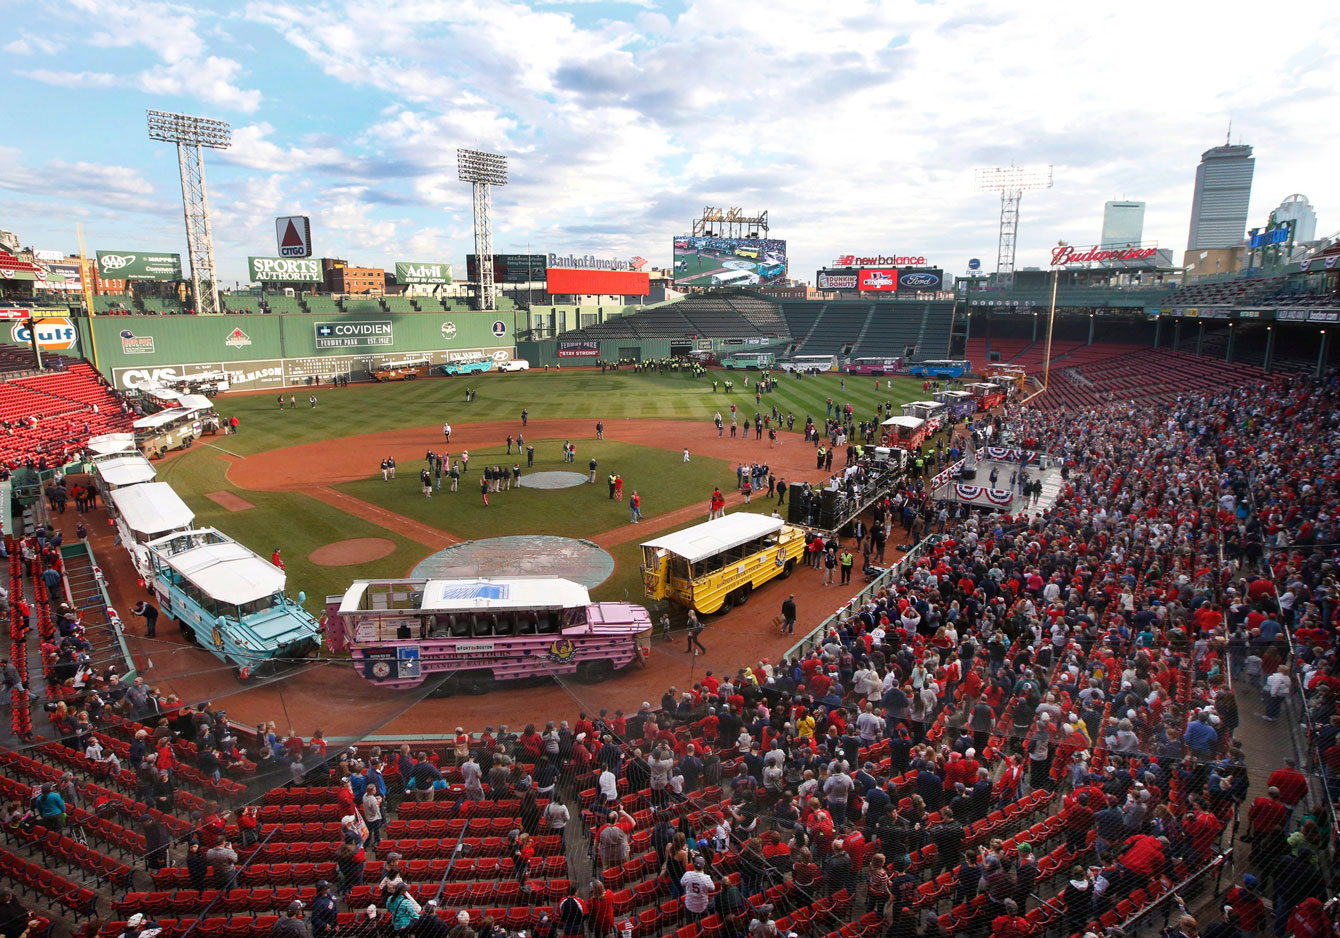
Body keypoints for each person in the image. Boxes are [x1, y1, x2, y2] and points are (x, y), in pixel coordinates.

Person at [680, 855, 716, 923]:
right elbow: (712, 888)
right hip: (702, 905)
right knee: (703, 923)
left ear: (694, 865)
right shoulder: (706, 878)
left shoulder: (687, 874)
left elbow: (682, 883)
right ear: (703, 866)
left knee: (690, 924)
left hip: (690, 904)